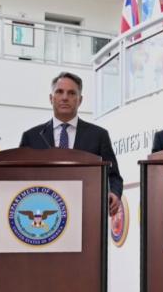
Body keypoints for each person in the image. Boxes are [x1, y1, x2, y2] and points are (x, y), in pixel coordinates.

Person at [19, 71, 124, 216]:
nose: (64, 97)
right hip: (44, 216)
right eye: (60, 92)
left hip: (86, 214)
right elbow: (19, 177)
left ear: (80, 100)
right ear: (51, 98)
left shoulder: (99, 135)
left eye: (71, 93)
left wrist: (114, 193)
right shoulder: (31, 137)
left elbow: (114, 176)